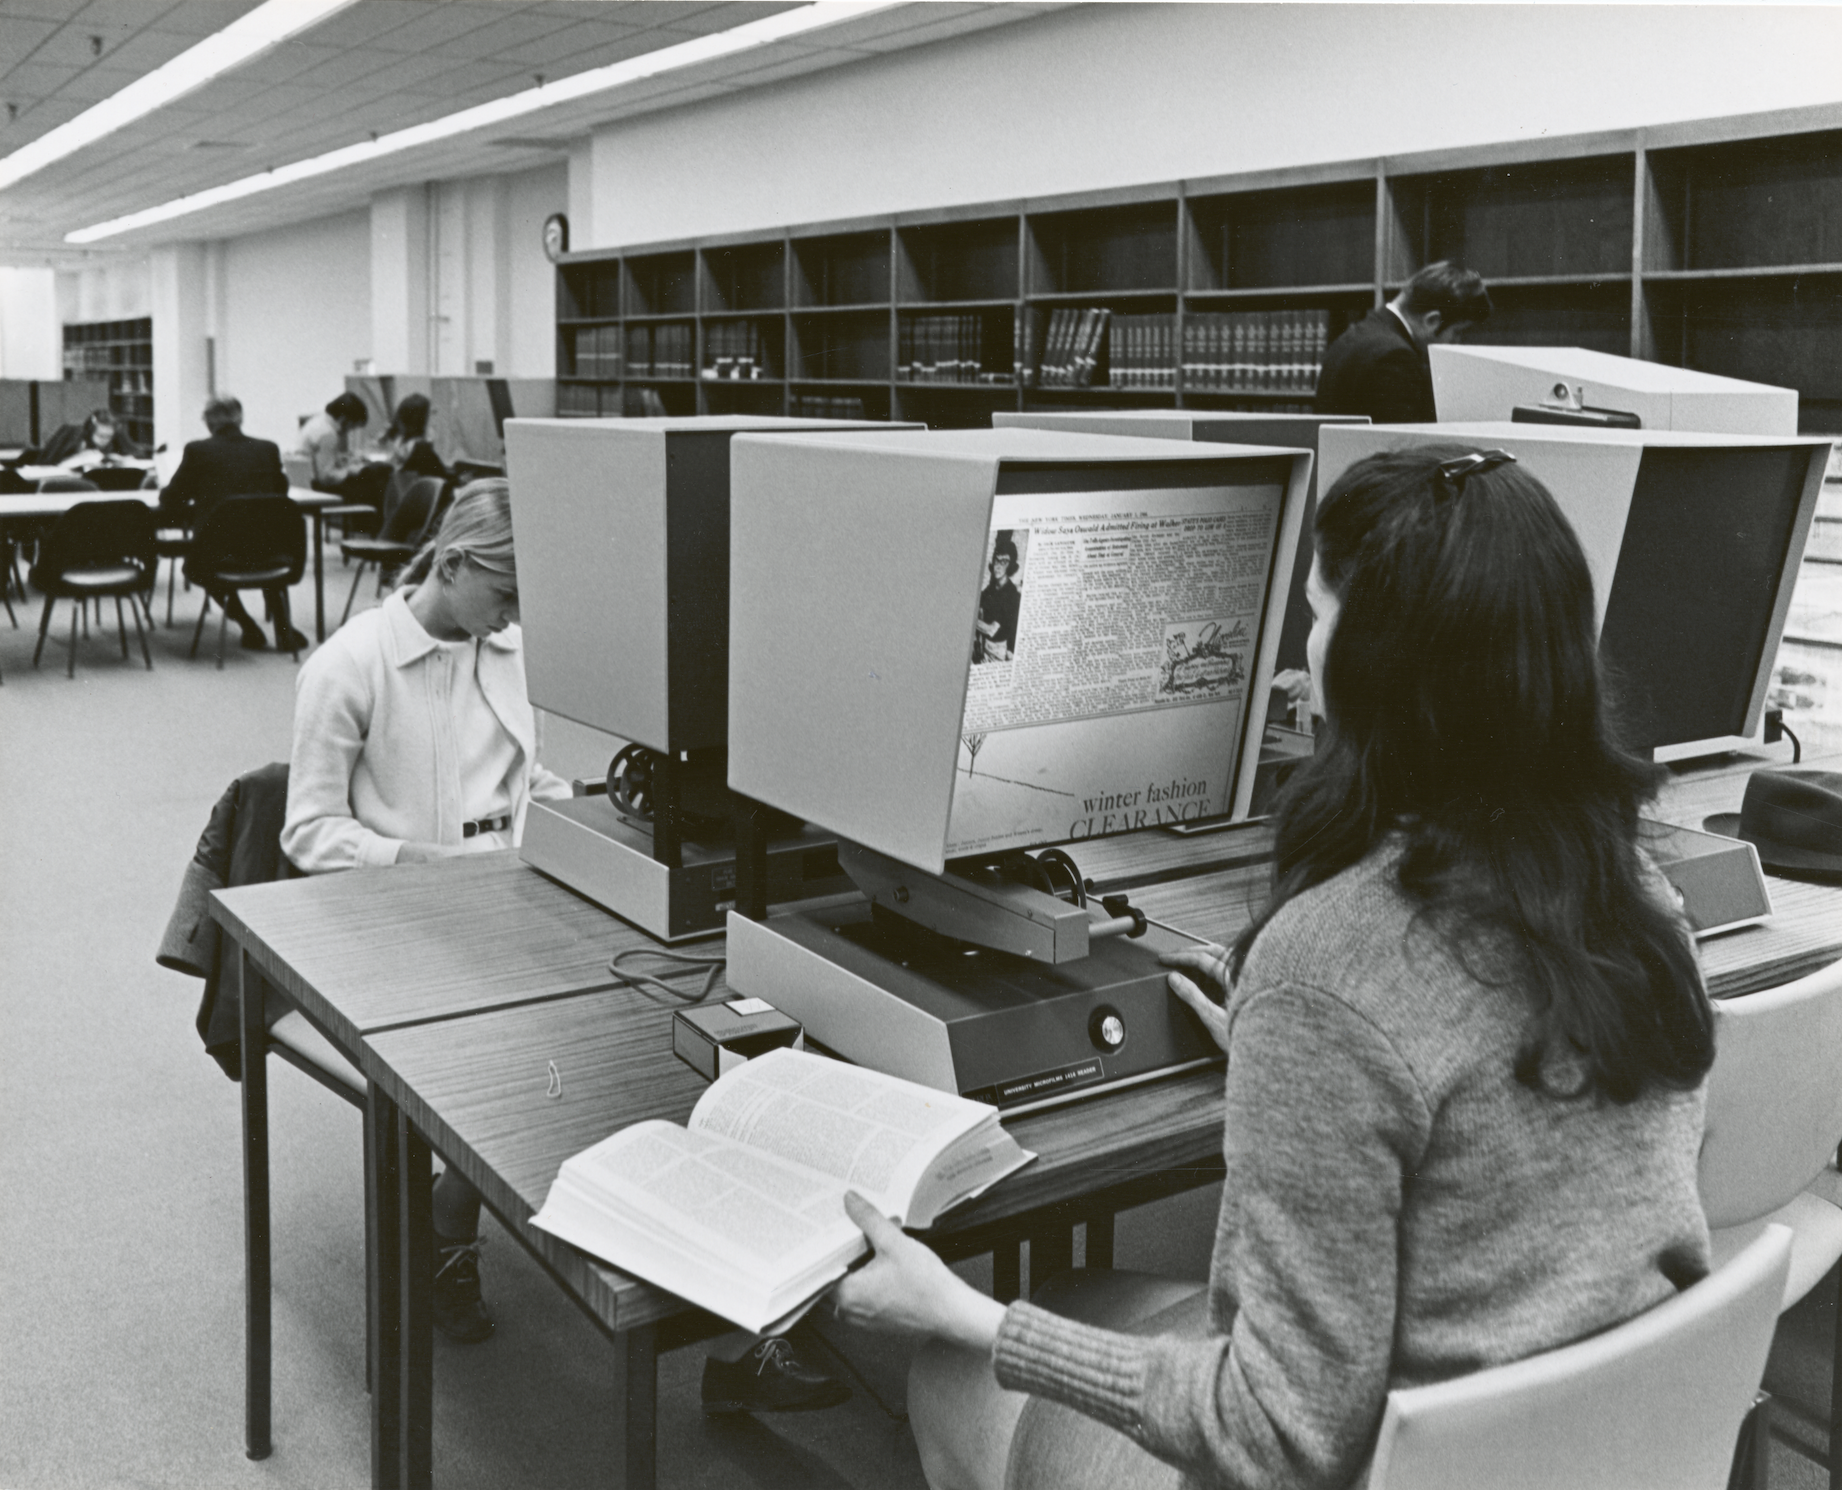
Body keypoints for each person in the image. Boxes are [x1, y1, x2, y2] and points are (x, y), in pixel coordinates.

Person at [827, 444, 1715, 1490]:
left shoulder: (1331, 964)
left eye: (1319, 613)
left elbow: (1278, 1436)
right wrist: (1287, 1043)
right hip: (1604, 1445)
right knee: (1082, 1289)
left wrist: (965, 1309)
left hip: (1370, 1459)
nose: (1304, 650)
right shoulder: (1637, 892)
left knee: (949, 1367)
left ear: (1376, 669)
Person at [281, 478, 571, 1341]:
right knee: (493, 1055)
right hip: (390, 922)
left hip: (504, 903)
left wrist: (573, 820)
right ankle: (450, 1229)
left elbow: (533, 779)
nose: (513, 619)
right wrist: (420, 860)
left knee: (596, 1039)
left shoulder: (510, 655)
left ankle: (467, 1210)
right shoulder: (348, 664)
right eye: (505, 594)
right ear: (450, 563)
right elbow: (309, 832)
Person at [163, 394, 305, 652]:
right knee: (262, 540)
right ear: (240, 418)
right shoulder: (268, 449)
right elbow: (279, 492)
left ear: (207, 422)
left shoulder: (197, 451)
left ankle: (248, 625)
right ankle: (283, 628)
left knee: (197, 566)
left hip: (219, 553)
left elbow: (173, 499)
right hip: (270, 550)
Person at [1316, 261, 1492, 424]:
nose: (1456, 342)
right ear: (1432, 321)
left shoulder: (1355, 335)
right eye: (1457, 332)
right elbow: (1403, 449)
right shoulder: (1396, 358)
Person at [297, 391, 389, 509]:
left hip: (305, 484)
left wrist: (341, 459)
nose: (350, 431)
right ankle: (371, 523)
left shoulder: (318, 422)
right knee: (374, 481)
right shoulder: (328, 434)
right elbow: (325, 477)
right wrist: (351, 471)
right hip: (317, 488)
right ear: (344, 419)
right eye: (353, 426)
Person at [381, 392, 452, 486]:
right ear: (421, 420)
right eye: (431, 414)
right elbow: (442, 477)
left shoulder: (400, 443)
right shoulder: (422, 449)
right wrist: (459, 479)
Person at [43, 407, 144, 467]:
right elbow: (51, 463)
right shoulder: (75, 435)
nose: (104, 440)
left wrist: (121, 459)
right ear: (91, 430)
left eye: (109, 437)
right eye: (100, 436)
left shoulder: (118, 435)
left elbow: (138, 454)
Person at [974, 536, 1022, 663]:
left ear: (1011, 565)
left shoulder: (1012, 594)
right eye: (997, 560)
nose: (998, 566)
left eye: (1004, 562)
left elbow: (991, 630)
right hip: (984, 647)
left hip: (999, 653)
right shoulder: (991, 588)